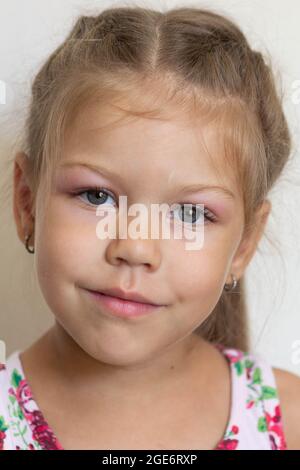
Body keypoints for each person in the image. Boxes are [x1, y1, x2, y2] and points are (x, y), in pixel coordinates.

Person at [1, 5, 299, 450]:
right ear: (27, 202)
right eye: (96, 196)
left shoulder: (290, 419)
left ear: (244, 245)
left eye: (191, 214)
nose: (136, 247)